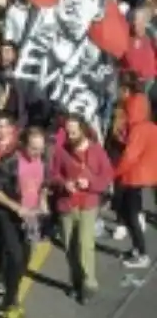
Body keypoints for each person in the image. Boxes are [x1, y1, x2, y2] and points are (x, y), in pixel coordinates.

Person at [49, 112, 113, 304]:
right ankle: (76, 283)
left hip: (88, 204)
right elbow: (53, 174)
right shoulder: (61, 151)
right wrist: (63, 183)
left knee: (85, 244)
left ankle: (89, 283)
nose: (70, 137)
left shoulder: (96, 151)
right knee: (70, 246)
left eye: (74, 133)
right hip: (67, 205)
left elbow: (107, 176)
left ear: (83, 131)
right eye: (67, 133)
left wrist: (90, 183)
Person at [0, 115, 40, 318]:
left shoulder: (42, 159)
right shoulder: (9, 162)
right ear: (23, 145)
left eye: (40, 149)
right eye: (33, 149)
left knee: (24, 258)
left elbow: (47, 182)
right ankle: (11, 299)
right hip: (6, 213)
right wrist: (16, 207)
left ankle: (9, 284)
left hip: (31, 215)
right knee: (13, 254)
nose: (37, 153)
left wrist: (45, 202)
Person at [113, 73, 157, 269]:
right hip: (139, 174)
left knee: (129, 214)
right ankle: (138, 249)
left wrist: (113, 174)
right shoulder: (144, 123)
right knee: (129, 212)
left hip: (132, 176)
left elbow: (130, 156)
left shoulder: (137, 127)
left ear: (127, 92)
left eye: (120, 91)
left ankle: (142, 253)